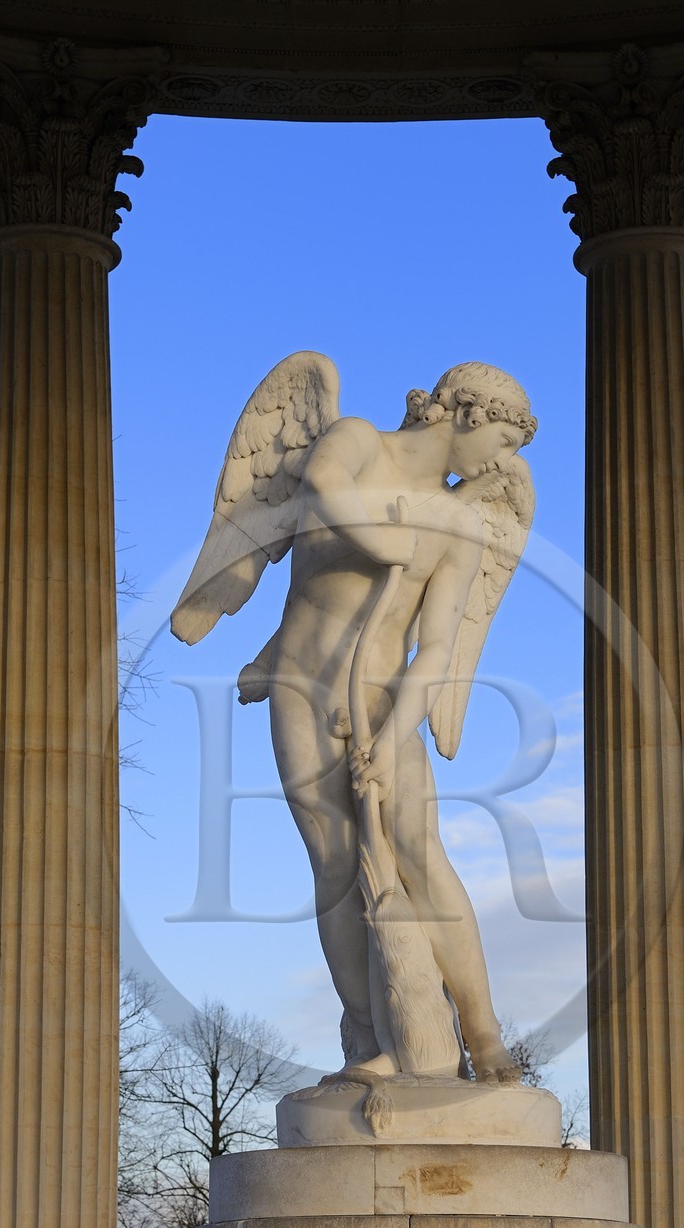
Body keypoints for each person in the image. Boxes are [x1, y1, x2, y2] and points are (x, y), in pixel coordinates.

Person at [172, 359, 537, 1082]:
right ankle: (372, 1038)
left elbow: (434, 649)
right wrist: (383, 544)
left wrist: (398, 732)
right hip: (301, 692)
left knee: (419, 854)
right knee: (337, 868)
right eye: (502, 442)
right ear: (467, 413)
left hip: (378, 701)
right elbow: (322, 488)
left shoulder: (460, 523)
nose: (502, 464)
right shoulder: (357, 439)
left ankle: (484, 1035)